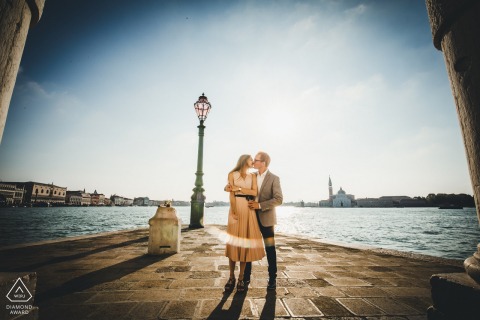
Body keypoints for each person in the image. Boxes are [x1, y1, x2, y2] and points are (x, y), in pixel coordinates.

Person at [226, 151, 283, 291]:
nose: (254, 162)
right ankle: (245, 279)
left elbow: (279, 199)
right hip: (249, 216)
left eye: (256, 160)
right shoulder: (252, 175)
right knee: (248, 247)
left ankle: (272, 279)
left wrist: (260, 205)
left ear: (263, 163)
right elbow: (236, 187)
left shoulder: (274, 178)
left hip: (266, 219)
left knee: (270, 249)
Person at [224, 154, 266, 293]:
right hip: (235, 209)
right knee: (233, 244)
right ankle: (231, 277)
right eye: (251, 159)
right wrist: (234, 211)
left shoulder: (252, 176)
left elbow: (254, 192)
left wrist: (239, 189)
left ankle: (241, 278)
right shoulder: (232, 174)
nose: (253, 161)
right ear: (244, 160)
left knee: (245, 244)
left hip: (248, 210)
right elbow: (231, 194)